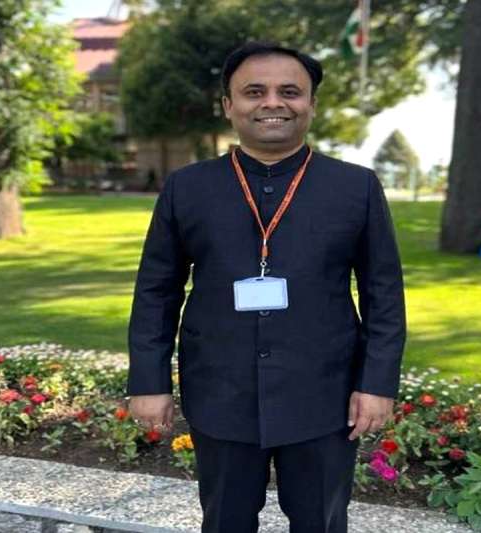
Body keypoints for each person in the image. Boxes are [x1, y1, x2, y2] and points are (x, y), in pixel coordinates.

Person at [126, 41, 406, 533]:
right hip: (220, 392)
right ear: (229, 105)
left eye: (289, 92)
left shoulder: (356, 187)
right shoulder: (187, 187)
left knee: (322, 523)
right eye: (254, 92)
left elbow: (383, 294)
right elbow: (156, 291)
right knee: (224, 522)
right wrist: (149, 382)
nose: (273, 103)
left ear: (311, 104)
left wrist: (376, 384)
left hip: (326, 396)